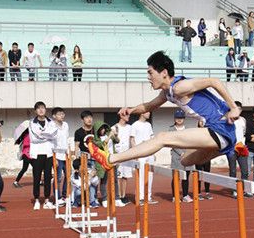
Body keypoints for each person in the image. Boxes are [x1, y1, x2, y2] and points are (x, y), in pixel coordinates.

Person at [86, 51, 241, 180]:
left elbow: (213, 81)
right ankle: (228, 146)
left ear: (164, 73)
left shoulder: (180, 87)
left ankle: (110, 159)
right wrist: (131, 110)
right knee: (186, 160)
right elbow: (149, 106)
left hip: (220, 127)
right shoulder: (167, 93)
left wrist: (234, 107)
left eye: (150, 72)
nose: (148, 77)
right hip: (217, 131)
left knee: (162, 138)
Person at [29, 101, 58, 210]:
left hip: (49, 152)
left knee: (47, 177)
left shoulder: (51, 122)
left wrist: (46, 135)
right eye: (38, 108)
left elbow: (54, 135)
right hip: (37, 153)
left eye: (43, 108)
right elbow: (35, 138)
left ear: (46, 109)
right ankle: (36, 199)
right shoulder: (32, 122)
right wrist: (48, 136)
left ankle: (46, 199)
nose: (41, 110)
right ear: (35, 111)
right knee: (36, 177)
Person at [130, 112, 156, 204]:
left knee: (150, 175)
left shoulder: (148, 125)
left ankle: (148, 197)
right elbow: (132, 140)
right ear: (142, 113)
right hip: (140, 153)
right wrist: (135, 153)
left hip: (149, 153)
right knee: (141, 176)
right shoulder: (134, 125)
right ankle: (140, 197)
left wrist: (154, 152)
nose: (149, 113)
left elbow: (152, 138)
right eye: (147, 111)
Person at [228, 101, 249, 197]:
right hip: (231, 148)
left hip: (241, 147)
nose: (238, 110)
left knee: (245, 170)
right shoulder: (229, 119)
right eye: (236, 108)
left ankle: (243, 190)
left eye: (240, 109)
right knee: (233, 170)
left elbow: (244, 132)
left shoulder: (243, 120)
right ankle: (234, 190)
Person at [112, 112, 132, 204]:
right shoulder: (114, 127)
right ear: (121, 115)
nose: (128, 116)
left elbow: (131, 140)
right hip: (118, 155)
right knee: (118, 176)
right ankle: (118, 196)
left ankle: (123, 195)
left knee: (125, 176)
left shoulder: (130, 127)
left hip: (127, 154)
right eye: (126, 115)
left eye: (129, 115)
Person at [52, 107, 70, 206]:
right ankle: (57, 197)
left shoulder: (66, 125)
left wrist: (69, 152)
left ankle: (64, 196)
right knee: (58, 177)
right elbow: (51, 142)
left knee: (68, 176)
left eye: (63, 114)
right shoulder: (52, 126)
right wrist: (54, 157)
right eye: (59, 114)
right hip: (57, 154)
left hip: (65, 154)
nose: (62, 116)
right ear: (54, 116)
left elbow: (66, 138)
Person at [13, 121, 31, 188]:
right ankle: (16, 181)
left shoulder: (28, 135)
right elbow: (26, 144)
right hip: (26, 154)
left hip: (30, 154)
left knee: (36, 168)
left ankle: (39, 181)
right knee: (25, 169)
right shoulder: (27, 135)